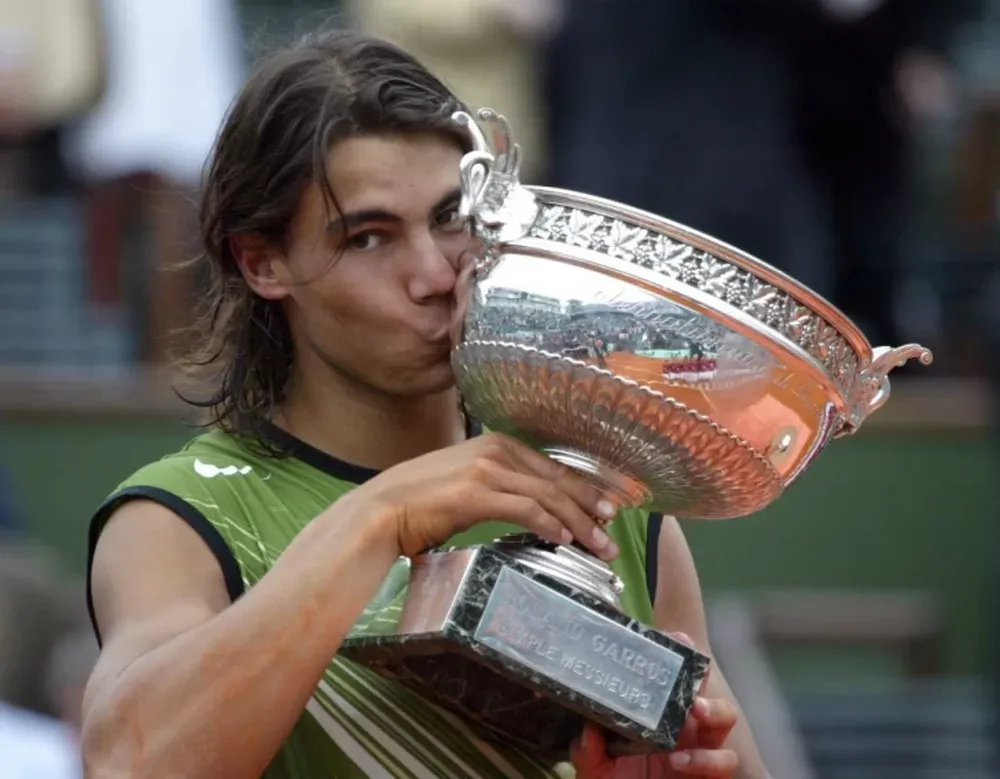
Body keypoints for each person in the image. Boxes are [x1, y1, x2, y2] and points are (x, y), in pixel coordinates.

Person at [80, 29, 771, 779]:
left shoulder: (607, 495)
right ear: (263, 260)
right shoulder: (176, 521)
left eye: (452, 218)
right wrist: (379, 518)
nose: (437, 274)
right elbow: (129, 762)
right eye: (371, 239)